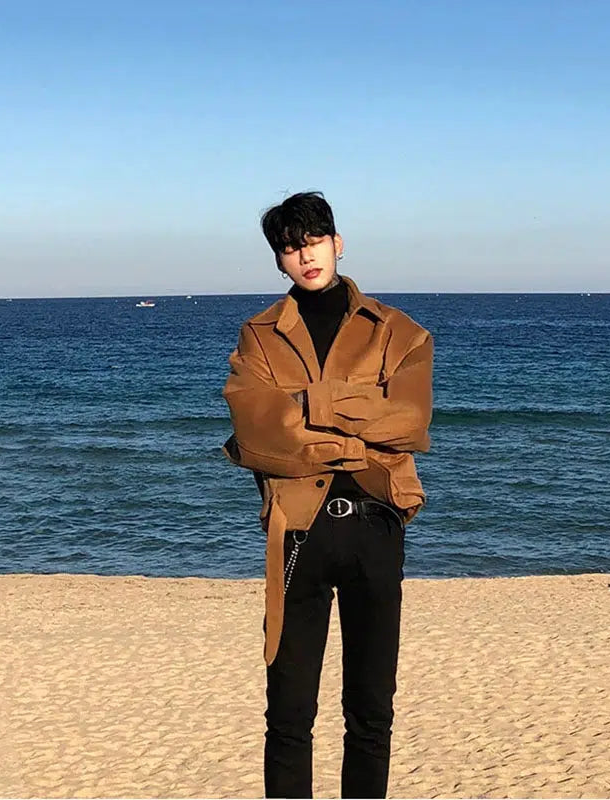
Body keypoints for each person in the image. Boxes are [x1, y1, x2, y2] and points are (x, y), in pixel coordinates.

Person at [221, 191, 433, 798]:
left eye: (313, 241)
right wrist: (355, 429)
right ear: (279, 260)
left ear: (337, 243)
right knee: (289, 714)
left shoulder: (399, 332)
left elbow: (409, 423)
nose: (305, 255)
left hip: (375, 525)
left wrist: (306, 406)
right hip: (297, 532)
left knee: (371, 711)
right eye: (290, 248)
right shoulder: (259, 336)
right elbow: (256, 435)